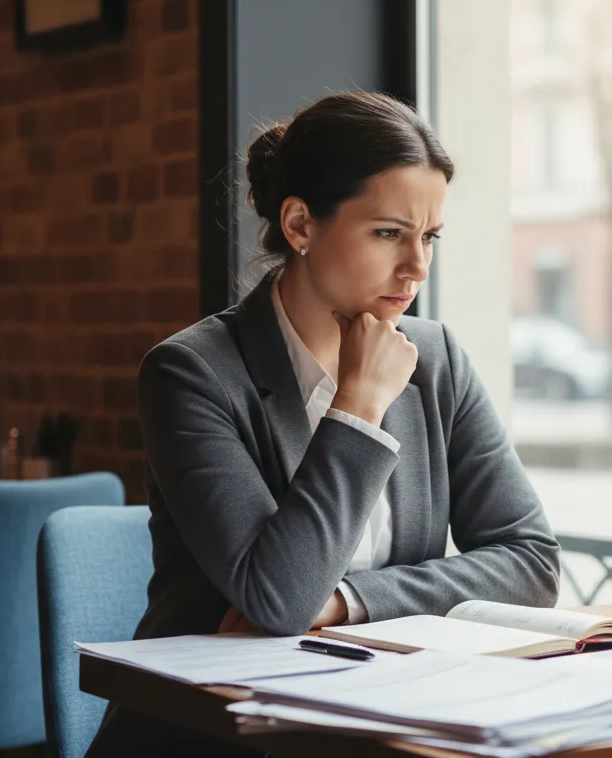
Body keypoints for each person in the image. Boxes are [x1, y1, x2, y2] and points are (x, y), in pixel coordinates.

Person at [86, 92, 561, 757]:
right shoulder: (191, 374)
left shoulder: (437, 360)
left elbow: (531, 560)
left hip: (386, 716)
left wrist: (347, 600)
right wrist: (359, 406)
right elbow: (279, 598)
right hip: (214, 736)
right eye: (389, 233)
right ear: (300, 224)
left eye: (428, 236)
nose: (417, 267)